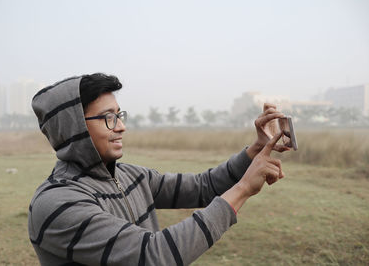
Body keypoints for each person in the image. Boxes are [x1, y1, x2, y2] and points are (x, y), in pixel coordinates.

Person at [28, 73, 289, 266]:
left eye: (119, 115)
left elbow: (203, 187)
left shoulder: (131, 176)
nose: (120, 127)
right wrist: (243, 189)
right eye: (108, 118)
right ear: (75, 128)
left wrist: (254, 150)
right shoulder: (57, 204)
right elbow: (153, 255)